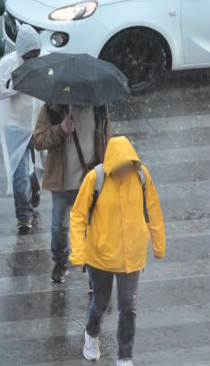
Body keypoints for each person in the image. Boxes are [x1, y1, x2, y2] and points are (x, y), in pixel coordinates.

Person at [69, 136, 166, 365]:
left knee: (128, 306)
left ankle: (125, 355)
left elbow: (153, 208)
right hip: (100, 256)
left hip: (131, 256)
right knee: (100, 303)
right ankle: (91, 334)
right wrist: (78, 253)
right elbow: (78, 216)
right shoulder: (96, 179)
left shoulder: (141, 176)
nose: (125, 171)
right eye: (121, 167)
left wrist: (158, 244)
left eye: (128, 166)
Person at [32, 103, 111, 283]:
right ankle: (60, 262)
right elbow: (38, 140)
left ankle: (94, 269)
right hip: (62, 181)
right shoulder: (53, 108)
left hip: (90, 179)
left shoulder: (99, 107)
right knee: (59, 226)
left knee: (93, 227)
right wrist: (60, 129)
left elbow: (107, 141)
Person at [0, 24, 45, 233]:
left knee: (43, 167)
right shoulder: (7, 65)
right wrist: (17, 86)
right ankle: (24, 215)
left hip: (40, 122)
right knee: (19, 172)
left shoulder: (45, 59)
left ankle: (33, 189)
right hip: (17, 125)